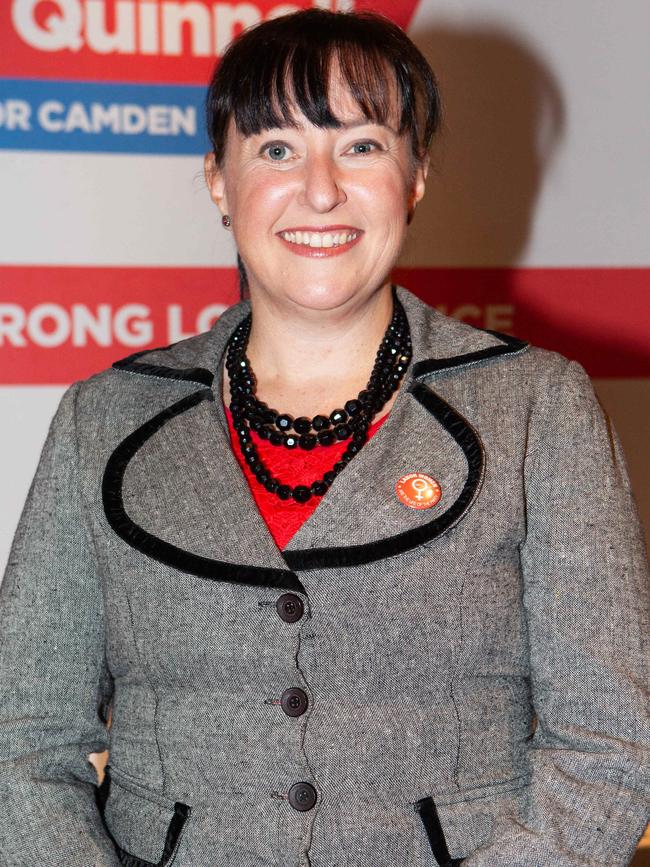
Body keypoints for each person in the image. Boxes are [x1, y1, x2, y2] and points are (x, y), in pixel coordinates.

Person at [0, 9, 648, 867]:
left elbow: (607, 745)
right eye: (275, 148)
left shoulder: (537, 407)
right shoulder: (102, 420)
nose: (319, 188)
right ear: (217, 181)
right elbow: (23, 741)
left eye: (362, 145)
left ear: (415, 176)